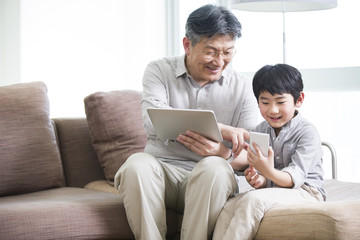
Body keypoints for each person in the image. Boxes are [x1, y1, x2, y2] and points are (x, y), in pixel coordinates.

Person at [114, 4, 258, 240]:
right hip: (163, 172)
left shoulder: (242, 87)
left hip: (210, 178)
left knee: (215, 168)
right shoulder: (159, 70)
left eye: (228, 52)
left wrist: (223, 153)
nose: (220, 61)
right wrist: (221, 129)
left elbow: (253, 152)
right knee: (136, 164)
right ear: (187, 45)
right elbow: (152, 121)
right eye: (211, 51)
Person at [213, 64, 326, 240]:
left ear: (299, 100)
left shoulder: (307, 132)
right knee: (229, 206)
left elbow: (293, 178)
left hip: (306, 191)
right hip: (277, 189)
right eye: (265, 102)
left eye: (280, 102)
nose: (272, 110)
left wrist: (267, 172)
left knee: (252, 201)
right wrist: (259, 179)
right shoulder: (260, 130)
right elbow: (262, 175)